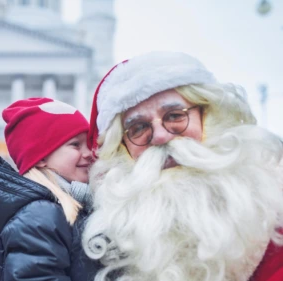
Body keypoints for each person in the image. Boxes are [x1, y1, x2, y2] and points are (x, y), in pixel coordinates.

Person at [82, 51, 283, 281]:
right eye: (138, 128)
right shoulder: (109, 238)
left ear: (209, 118)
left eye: (175, 115)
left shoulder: (274, 202)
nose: (160, 135)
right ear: (122, 151)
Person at [0, 98, 98, 281]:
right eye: (75, 144)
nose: (90, 153)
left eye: (89, 144)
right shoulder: (42, 215)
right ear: (41, 157)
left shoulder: (64, 207)